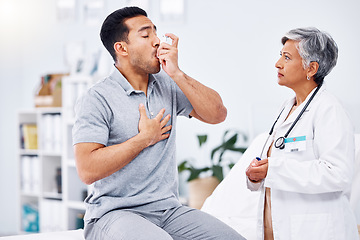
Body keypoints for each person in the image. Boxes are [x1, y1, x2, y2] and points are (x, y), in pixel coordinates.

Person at [72, 6, 245, 240]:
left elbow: (217, 114)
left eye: (156, 32)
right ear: (121, 48)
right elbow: (87, 170)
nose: (157, 41)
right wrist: (144, 139)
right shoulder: (97, 98)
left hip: (168, 210)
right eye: (146, 35)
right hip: (113, 214)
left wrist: (177, 74)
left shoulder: (167, 84)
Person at [245, 27, 359, 239]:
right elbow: (277, 165)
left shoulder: (329, 109)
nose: (278, 63)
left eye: (287, 58)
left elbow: (338, 174)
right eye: (280, 56)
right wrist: (256, 175)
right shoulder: (288, 107)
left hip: (317, 230)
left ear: (311, 68)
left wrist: (274, 169)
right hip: (280, 227)